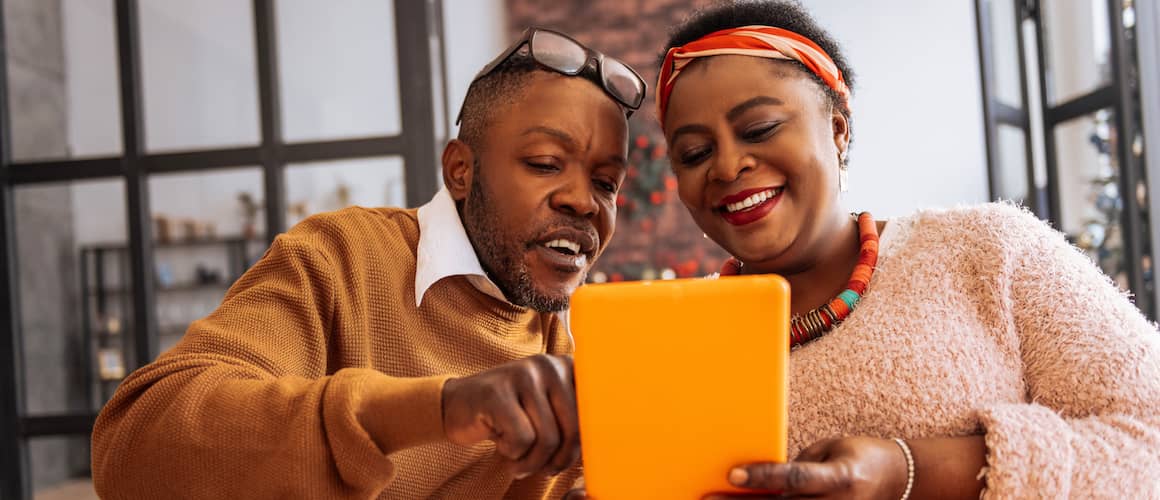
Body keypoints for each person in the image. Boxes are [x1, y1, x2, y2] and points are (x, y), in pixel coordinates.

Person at [91, 27, 645, 499]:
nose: (584, 201)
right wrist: (447, 406)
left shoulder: (569, 338)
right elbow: (135, 446)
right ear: (460, 171)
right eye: (546, 163)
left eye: (606, 183)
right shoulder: (341, 258)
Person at [653, 1, 1160, 499]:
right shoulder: (676, 341)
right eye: (695, 154)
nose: (725, 167)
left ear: (837, 128)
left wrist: (910, 472)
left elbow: (1149, 439)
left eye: (759, 129)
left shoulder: (986, 250)